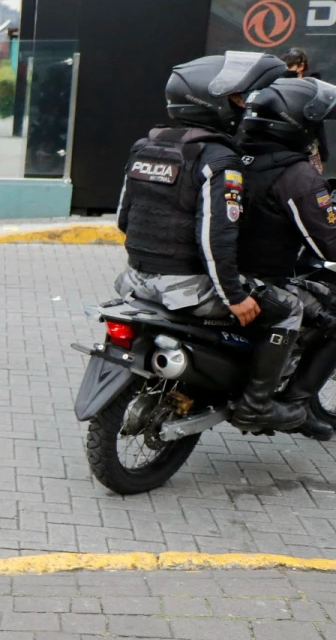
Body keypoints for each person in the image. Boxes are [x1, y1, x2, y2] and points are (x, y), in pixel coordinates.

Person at [115, 50, 307, 432]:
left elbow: (124, 218)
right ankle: (257, 407)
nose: (242, 107)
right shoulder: (218, 159)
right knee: (289, 309)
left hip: (134, 281)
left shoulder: (145, 146)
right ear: (213, 103)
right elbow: (215, 239)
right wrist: (235, 296)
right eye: (237, 99)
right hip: (190, 289)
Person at [236, 77, 336, 439]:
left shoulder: (230, 153)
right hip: (263, 282)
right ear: (297, 124)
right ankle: (294, 402)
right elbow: (329, 245)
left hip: (221, 273)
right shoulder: (296, 176)